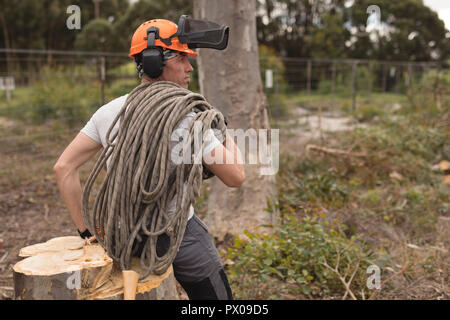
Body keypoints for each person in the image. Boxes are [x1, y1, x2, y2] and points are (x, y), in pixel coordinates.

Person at [53, 18, 244, 300]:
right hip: (180, 232)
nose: (190, 68)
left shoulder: (108, 112)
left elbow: (63, 167)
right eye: (183, 58)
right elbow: (236, 177)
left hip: (123, 235)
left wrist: (85, 231)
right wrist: (225, 132)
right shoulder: (190, 119)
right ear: (157, 61)